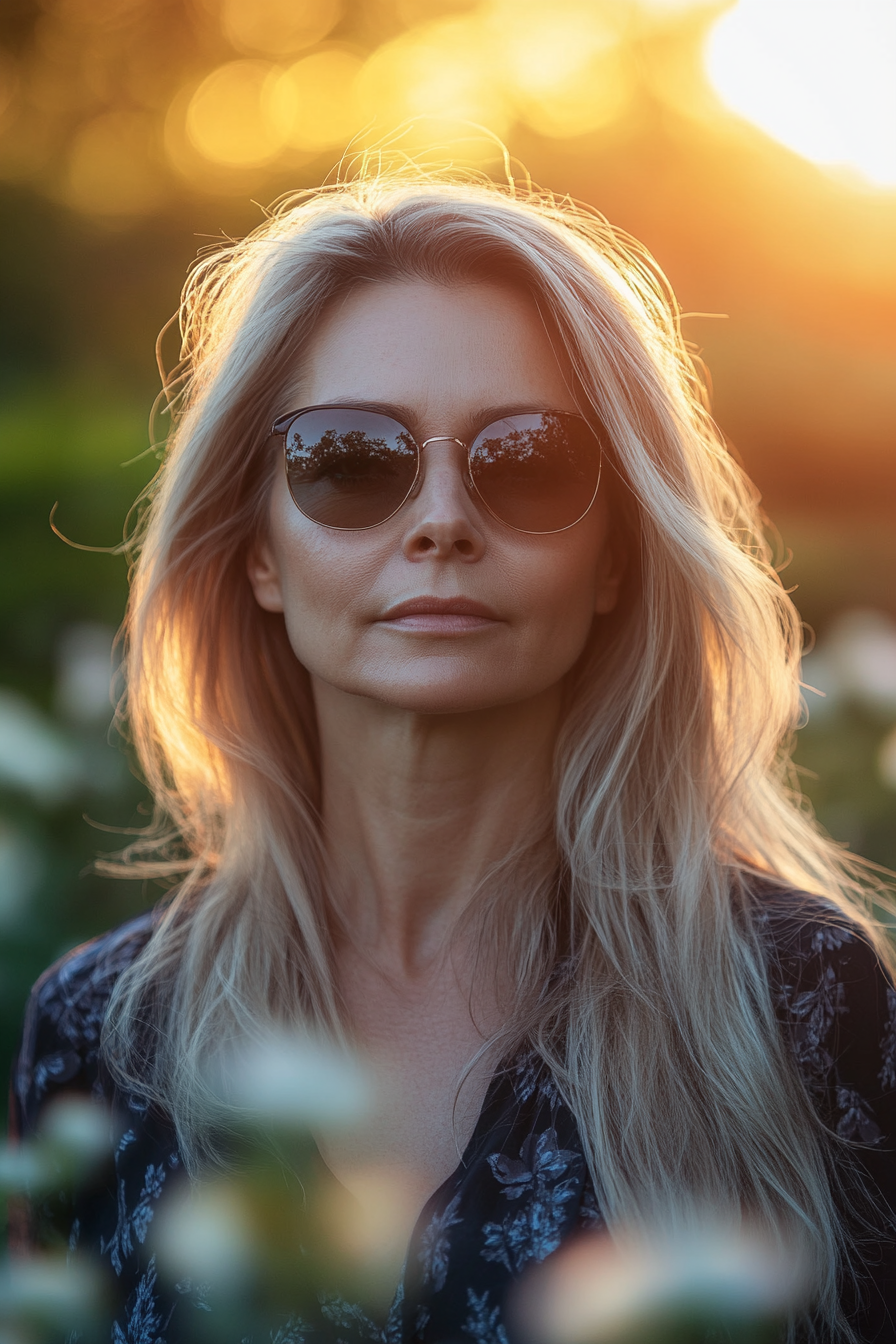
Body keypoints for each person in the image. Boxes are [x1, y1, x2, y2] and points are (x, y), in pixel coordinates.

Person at [11, 170, 896, 1343]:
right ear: (258, 552)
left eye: (526, 457)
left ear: (617, 558)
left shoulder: (791, 1007)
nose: (438, 521)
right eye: (350, 460)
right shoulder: (102, 1030)